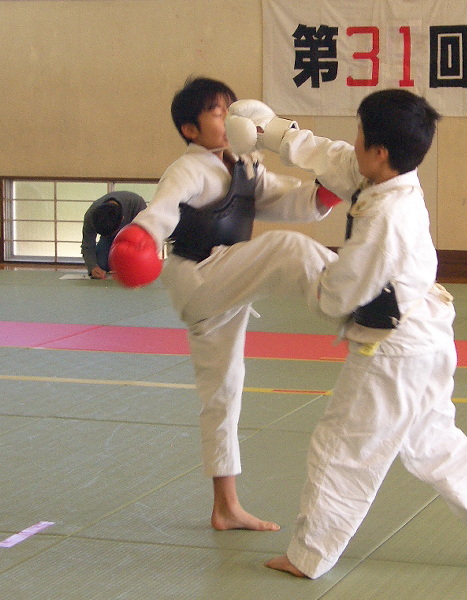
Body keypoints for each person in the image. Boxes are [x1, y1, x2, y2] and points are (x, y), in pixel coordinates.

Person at [229, 89, 467, 579]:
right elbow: (331, 156)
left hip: (394, 352)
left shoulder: (387, 218)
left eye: (361, 136)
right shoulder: (386, 175)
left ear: (379, 151)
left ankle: (308, 556)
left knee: (342, 448)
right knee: (435, 442)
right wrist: (272, 132)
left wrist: (302, 269)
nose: (353, 142)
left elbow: (339, 295)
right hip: (429, 338)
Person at [108, 76, 339, 532]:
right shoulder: (188, 169)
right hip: (201, 278)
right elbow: (163, 208)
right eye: (217, 113)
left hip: (225, 284)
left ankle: (225, 506)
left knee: (223, 394)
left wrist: (322, 194)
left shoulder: (246, 166)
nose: (229, 120)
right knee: (286, 249)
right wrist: (141, 237)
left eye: (232, 111)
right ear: (190, 129)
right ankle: (358, 296)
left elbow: (286, 198)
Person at [81, 191, 146, 279]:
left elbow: (146, 237)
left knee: (136, 268)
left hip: (133, 238)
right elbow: (88, 244)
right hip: (107, 241)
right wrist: (92, 267)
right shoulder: (91, 215)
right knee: (101, 264)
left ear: (122, 219)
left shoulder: (137, 204)